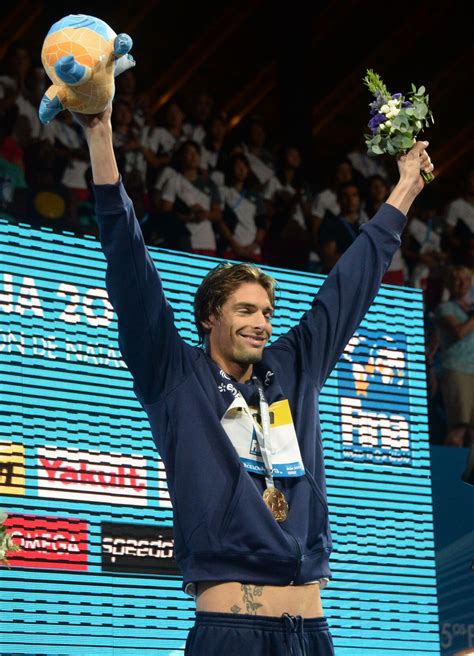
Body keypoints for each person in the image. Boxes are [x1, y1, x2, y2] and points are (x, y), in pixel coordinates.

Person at [74, 104, 433, 655]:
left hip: (311, 634)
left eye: (266, 312)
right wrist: (100, 135)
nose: (261, 323)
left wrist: (405, 188)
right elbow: (129, 264)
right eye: (244, 311)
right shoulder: (175, 374)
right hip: (231, 634)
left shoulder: (293, 368)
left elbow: (350, 286)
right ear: (209, 318)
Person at [434, 265, 474, 448]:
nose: (462, 283)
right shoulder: (445, 308)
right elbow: (459, 332)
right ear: (450, 284)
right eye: (457, 279)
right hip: (457, 369)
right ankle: (449, 471)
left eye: (466, 279)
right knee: (459, 427)